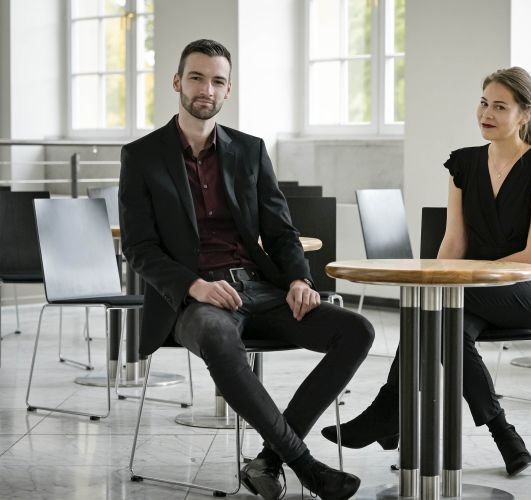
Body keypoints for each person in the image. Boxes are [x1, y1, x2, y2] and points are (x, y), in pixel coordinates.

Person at [119, 39, 373, 500]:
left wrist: (298, 278)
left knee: (356, 330)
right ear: (177, 82)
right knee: (217, 336)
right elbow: (139, 247)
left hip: (260, 288)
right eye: (196, 77)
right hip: (194, 299)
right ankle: (307, 467)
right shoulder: (142, 156)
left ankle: (269, 460)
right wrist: (195, 285)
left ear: (228, 90)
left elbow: (280, 230)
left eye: (217, 81)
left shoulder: (250, 151)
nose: (206, 89)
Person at [322, 67, 531, 476]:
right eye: (483, 102)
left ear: (524, 114)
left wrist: (458, 280)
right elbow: (454, 243)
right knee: (444, 325)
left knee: (438, 303)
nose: (486, 113)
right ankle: (505, 436)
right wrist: (439, 276)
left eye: (499, 106)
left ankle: (388, 411)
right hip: (473, 290)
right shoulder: (463, 164)